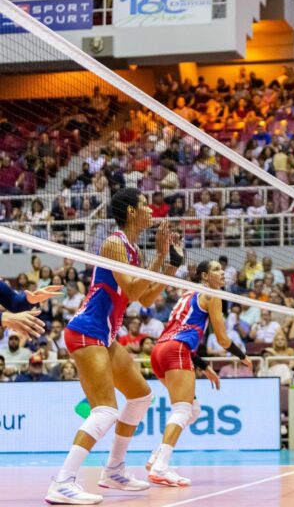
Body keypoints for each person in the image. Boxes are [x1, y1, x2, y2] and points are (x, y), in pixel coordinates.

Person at [46, 188, 183, 505]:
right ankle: (62, 482)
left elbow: (145, 298)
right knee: (105, 410)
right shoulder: (114, 244)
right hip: (86, 331)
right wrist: (159, 256)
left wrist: (171, 265)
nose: (150, 209)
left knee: (141, 396)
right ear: (132, 211)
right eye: (145, 204)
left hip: (104, 335)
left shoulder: (133, 251)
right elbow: (133, 291)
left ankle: (114, 470)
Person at [146, 260, 252, 486]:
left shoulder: (187, 294)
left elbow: (180, 332)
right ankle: (161, 467)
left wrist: (204, 366)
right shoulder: (212, 295)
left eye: (222, 269)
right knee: (183, 410)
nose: (222, 272)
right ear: (204, 276)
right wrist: (243, 356)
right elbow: (222, 340)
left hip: (159, 351)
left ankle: (157, 456)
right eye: (216, 269)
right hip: (176, 350)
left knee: (193, 410)